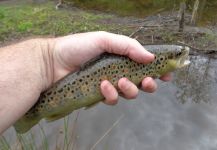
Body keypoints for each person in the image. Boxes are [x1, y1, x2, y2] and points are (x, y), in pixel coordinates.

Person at [0, 31, 171, 134]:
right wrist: (48, 58)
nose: (183, 54)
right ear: (162, 60)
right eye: (177, 55)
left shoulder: (155, 67)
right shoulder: (153, 59)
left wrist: (49, 58)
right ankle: (30, 115)